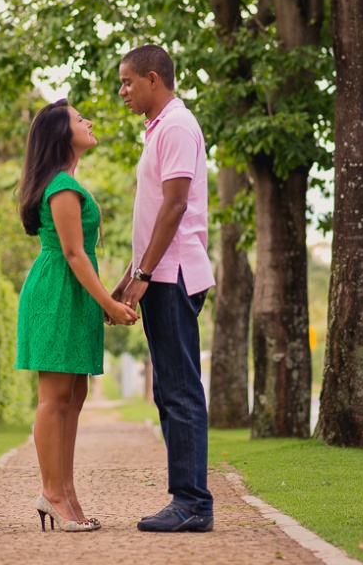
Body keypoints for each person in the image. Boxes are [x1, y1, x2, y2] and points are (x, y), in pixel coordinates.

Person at [15, 99, 140, 533]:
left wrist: (100, 300)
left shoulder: (66, 181)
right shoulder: (62, 187)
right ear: (61, 135)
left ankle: (66, 494)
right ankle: (52, 494)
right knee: (54, 399)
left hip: (72, 293)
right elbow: (72, 252)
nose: (88, 122)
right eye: (78, 119)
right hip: (57, 292)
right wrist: (108, 302)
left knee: (74, 398)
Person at [113, 44, 216, 533]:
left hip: (173, 274)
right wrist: (127, 279)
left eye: (128, 82)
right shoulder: (159, 129)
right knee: (169, 391)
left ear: (154, 79)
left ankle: (193, 502)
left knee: (179, 391)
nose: (123, 92)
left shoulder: (175, 125)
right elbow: (154, 211)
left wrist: (145, 275)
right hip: (160, 273)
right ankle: (186, 498)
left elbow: (174, 207)